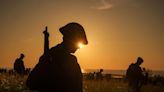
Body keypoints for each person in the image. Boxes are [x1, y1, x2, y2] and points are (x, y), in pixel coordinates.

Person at [26, 22, 88, 92]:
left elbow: (30, 83)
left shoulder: (50, 54)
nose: (78, 47)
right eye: (78, 43)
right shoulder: (70, 61)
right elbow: (31, 83)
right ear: (70, 40)